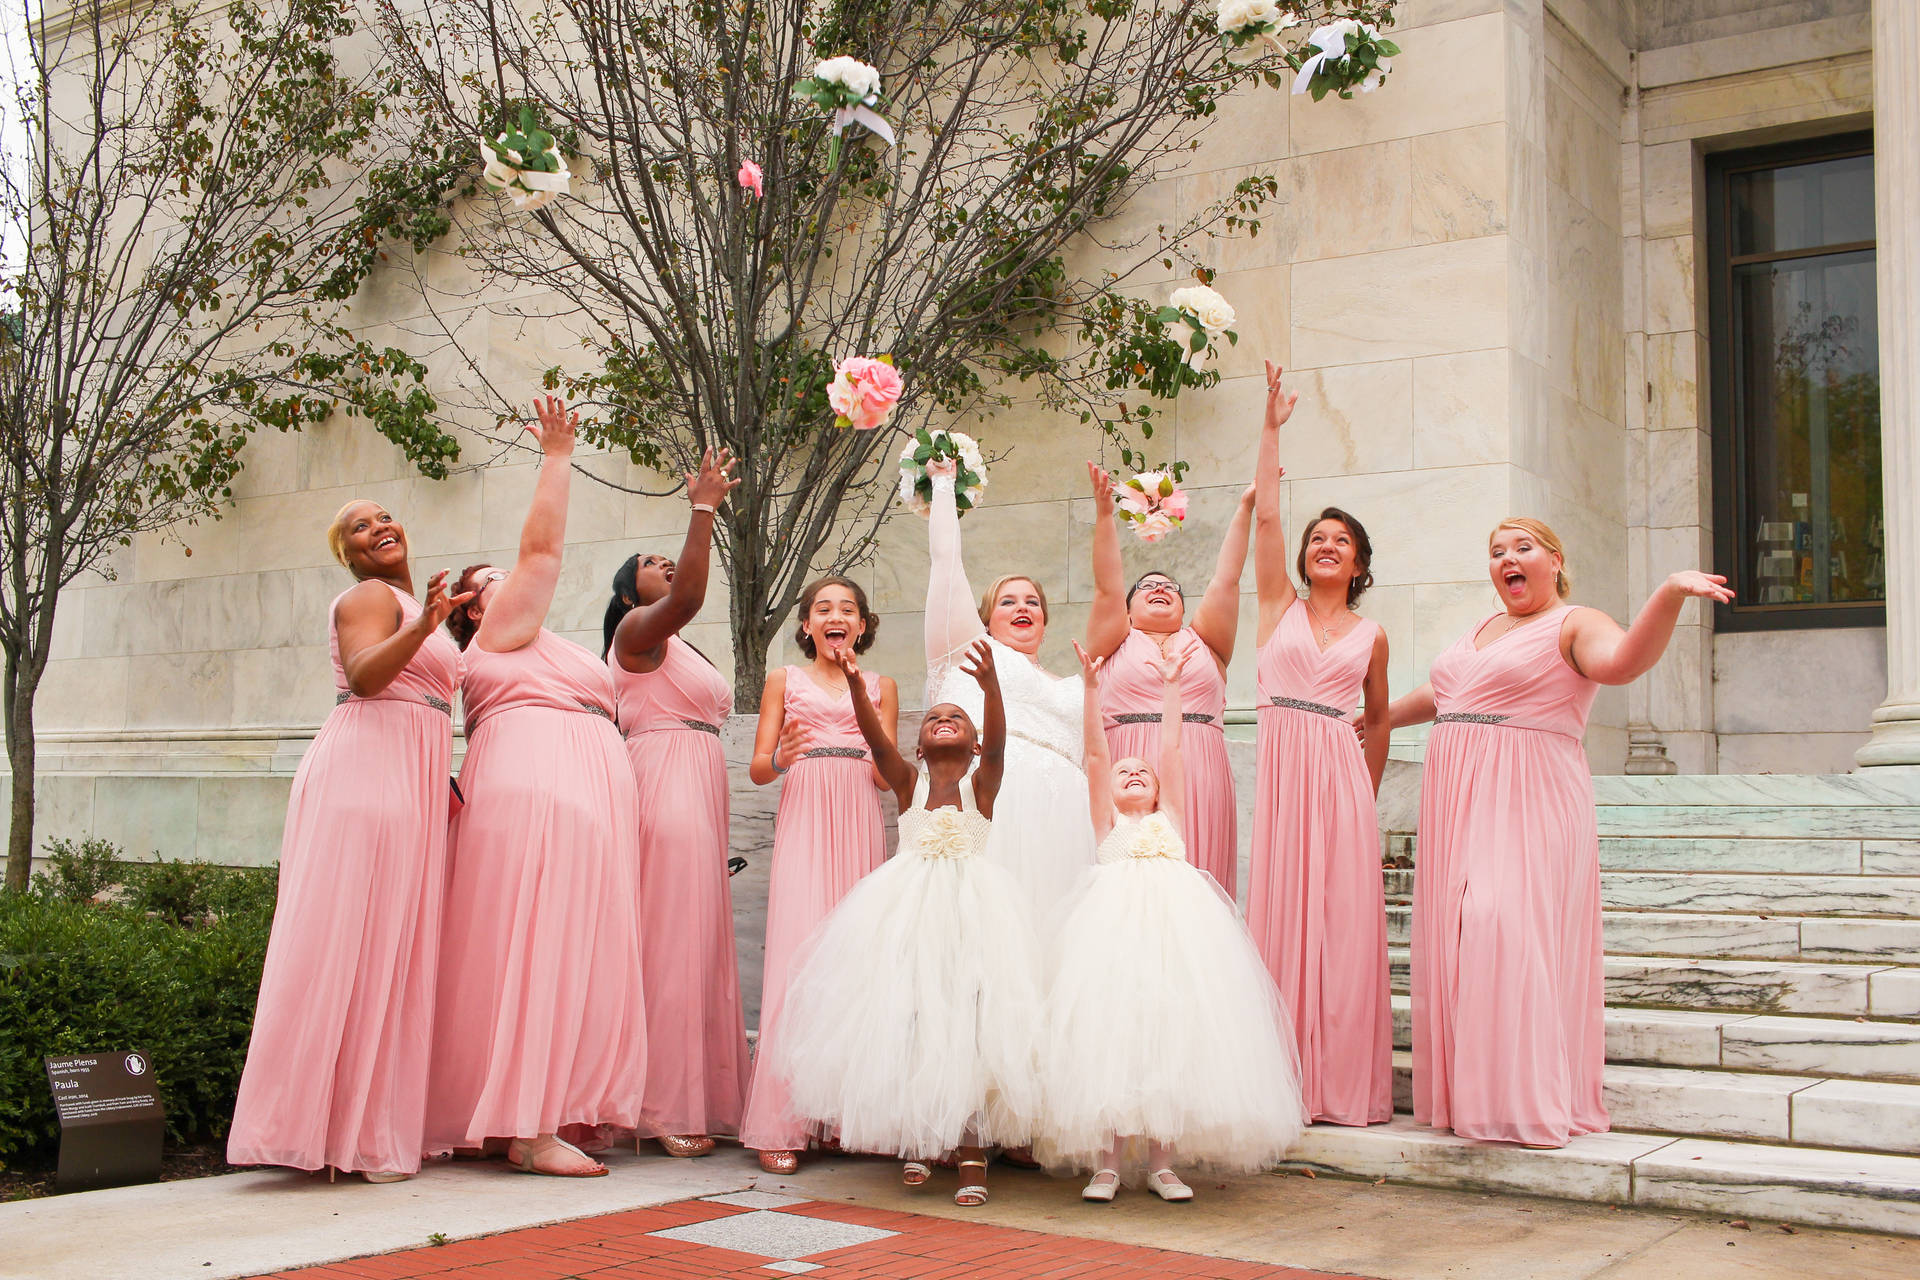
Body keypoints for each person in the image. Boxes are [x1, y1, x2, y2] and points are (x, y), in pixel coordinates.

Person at [1381, 519, 1734, 1147]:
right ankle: (1478, 1097)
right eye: (1496, 552)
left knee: (1504, 926)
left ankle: (1523, 1099)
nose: (1507, 560)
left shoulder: (1575, 622)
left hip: (1529, 797)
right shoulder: (1482, 629)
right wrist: (1371, 719)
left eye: (1522, 548)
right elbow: (1443, 691)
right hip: (1459, 800)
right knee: (1463, 937)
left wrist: (1669, 594)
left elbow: (1623, 663)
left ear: (1555, 559)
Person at [425, 396, 648, 1177]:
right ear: (473, 608)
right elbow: (544, 552)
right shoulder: (495, 636)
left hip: (584, 787)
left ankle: (545, 1105)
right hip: (537, 783)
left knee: (571, 946)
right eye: (491, 580)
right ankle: (527, 1124)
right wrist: (558, 457)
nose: (509, 580)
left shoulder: (545, 643)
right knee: (537, 942)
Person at [227, 501, 472, 1182]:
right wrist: (425, 622)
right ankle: (317, 1127)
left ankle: (365, 1122)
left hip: (409, 773)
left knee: (388, 942)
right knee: (347, 938)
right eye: (360, 527)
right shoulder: (369, 597)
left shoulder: (405, 600)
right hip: (367, 770)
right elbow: (365, 676)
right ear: (350, 552)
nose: (380, 527)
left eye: (387, 516)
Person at [767, 639, 1043, 1208]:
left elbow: (1000, 740)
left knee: (968, 1028)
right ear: (917, 746)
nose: (944, 721)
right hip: (909, 918)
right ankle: (916, 1140)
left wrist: (989, 688)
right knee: (914, 1021)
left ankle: (970, 1151)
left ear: (976, 743)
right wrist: (855, 687)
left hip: (973, 921)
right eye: (935, 717)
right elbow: (872, 738)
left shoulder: (981, 785)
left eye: (955, 718)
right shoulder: (909, 784)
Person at [1035, 641, 1306, 1203]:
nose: (1133, 772)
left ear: (1159, 791)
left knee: (1168, 1038)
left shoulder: (1172, 817)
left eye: (1142, 772)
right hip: (1111, 944)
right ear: (1108, 790)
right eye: (1124, 771)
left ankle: (1163, 1164)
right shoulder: (1105, 824)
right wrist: (1090, 689)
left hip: (1175, 942)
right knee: (1114, 1039)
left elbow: (1174, 747)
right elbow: (1093, 753)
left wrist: (1173, 687)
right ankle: (1106, 1165)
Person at [1245, 362, 1393, 1127]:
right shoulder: (1277, 605)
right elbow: (1266, 521)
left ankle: (1342, 1086)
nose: (1325, 546)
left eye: (1341, 541)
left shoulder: (1373, 635)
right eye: (1317, 539)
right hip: (1285, 776)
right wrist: (1271, 429)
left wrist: (1360, 796)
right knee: (1282, 919)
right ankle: (1284, 1083)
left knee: (1342, 927)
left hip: (1340, 780)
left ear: (1359, 563)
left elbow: (1381, 718)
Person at [603, 448, 747, 1159]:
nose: (665, 565)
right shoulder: (637, 637)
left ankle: (703, 1095)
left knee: (698, 943)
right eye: (651, 564)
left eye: (669, 557)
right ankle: (658, 1105)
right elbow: (687, 596)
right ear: (631, 598)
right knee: (669, 944)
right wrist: (703, 510)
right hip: (661, 778)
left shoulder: (680, 647)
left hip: (699, 777)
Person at [740, 576, 897, 1173]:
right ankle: (781, 1123)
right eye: (823, 609)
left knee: (855, 961)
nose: (837, 616)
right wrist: (782, 753)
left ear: (863, 625)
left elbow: (886, 778)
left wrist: (870, 715)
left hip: (858, 818)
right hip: (806, 816)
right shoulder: (784, 679)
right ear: (806, 625)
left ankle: (840, 1116)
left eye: (849, 609)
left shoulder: (882, 685)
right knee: (796, 956)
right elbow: (758, 768)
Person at [922, 460, 1095, 922]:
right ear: (985, 619)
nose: (1023, 607)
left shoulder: (1075, 681)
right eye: (1008, 600)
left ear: (1045, 620)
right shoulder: (972, 652)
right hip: (999, 796)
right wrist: (942, 484)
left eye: (1033, 601)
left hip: (1068, 815)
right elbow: (946, 566)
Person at [1083, 467, 1252, 898]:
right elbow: (1106, 587)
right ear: (1128, 607)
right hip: (1130, 761)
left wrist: (1246, 508)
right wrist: (1106, 514)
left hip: (1202, 765)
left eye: (1170, 587)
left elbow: (1227, 580)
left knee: (1202, 878)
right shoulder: (1115, 641)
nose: (1159, 589)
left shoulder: (1206, 641)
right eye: (1147, 587)